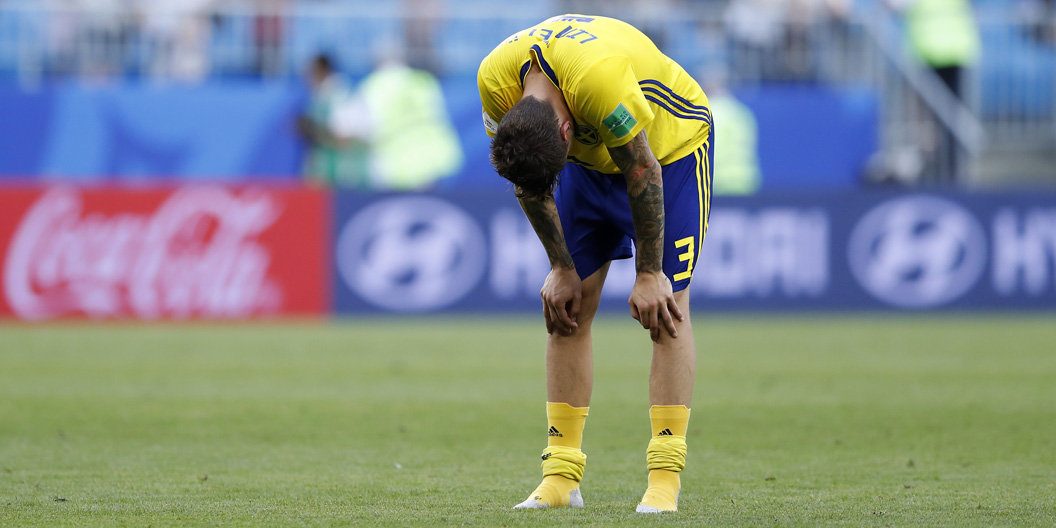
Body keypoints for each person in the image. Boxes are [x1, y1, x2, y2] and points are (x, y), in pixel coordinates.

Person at [478, 14, 713, 513]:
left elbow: (641, 167)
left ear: (568, 130)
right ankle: (560, 478)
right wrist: (560, 265)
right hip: (590, 164)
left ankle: (664, 479)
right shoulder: (494, 82)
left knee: (666, 311)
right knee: (568, 307)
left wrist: (650, 275)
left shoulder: (598, 79)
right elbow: (526, 176)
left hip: (669, 151)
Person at [296, 54, 370, 188]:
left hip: (338, 177)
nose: (307, 80)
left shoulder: (337, 94)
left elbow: (343, 136)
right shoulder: (323, 96)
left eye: (310, 74)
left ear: (320, 71)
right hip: (329, 174)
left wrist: (311, 130)